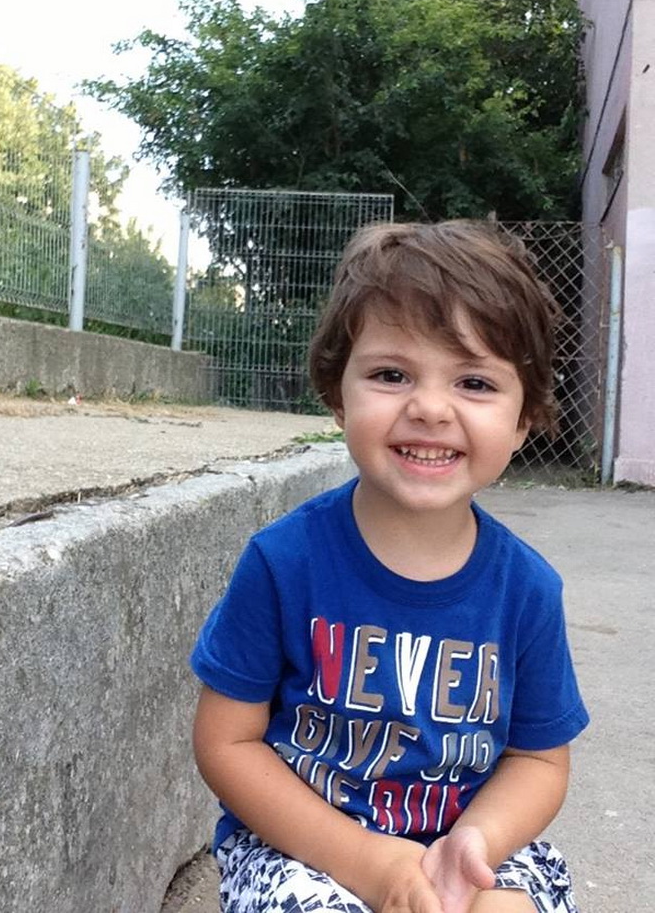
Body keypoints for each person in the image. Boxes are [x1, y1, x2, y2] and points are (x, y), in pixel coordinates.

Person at [190, 221, 589, 913]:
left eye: (473, 381)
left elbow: (538, 760)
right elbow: (227, 742)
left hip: (467, 840)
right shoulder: (283, 562)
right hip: (305, 844)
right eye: (390, 375)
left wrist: (478, 839)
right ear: (337, 394)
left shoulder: (526, 589)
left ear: (523, 419)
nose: (429, 408)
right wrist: (367, 863)